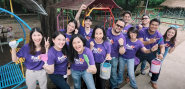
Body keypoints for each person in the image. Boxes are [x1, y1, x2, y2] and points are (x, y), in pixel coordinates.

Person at [135, 18, 165, 89]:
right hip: (141, 52)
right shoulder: (142, 31)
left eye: (156, 25)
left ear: (158, 26)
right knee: (133, 64)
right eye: (152, 24)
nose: (154, 26)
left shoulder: (159, 35)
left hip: (151, 53)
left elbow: (162, 46)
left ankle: (153, 81)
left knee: (157, 67)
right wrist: (150, 42)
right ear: (149, 24)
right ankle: (128, 76)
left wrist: (162, 54)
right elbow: (140, 43)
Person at [106, 19, 126, 89]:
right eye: (118, 25)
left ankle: (113, 86)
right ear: (114, 24)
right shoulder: (106, 31)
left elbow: (122, 52)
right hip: (103, 56)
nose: (119, 27)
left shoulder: (122, 37)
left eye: (121, 27)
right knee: (101, 71)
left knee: (113, 74)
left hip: (113, 58)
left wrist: (121, 44)